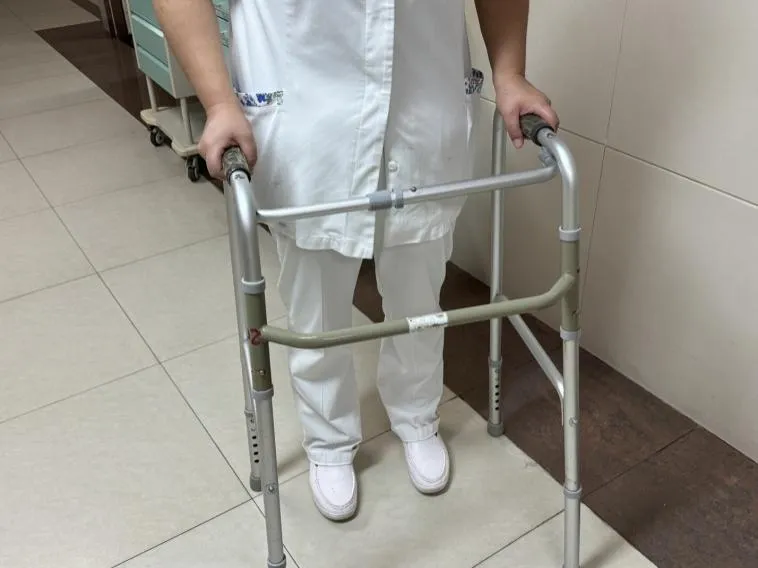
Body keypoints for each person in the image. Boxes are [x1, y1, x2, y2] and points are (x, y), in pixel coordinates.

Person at [155, 0, 558, 522]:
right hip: (306, 106)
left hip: (424, 98)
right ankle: (328, 442)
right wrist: (217, 101)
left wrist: (510, 72)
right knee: (317, 307)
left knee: (420, 295)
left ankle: (417, 416)